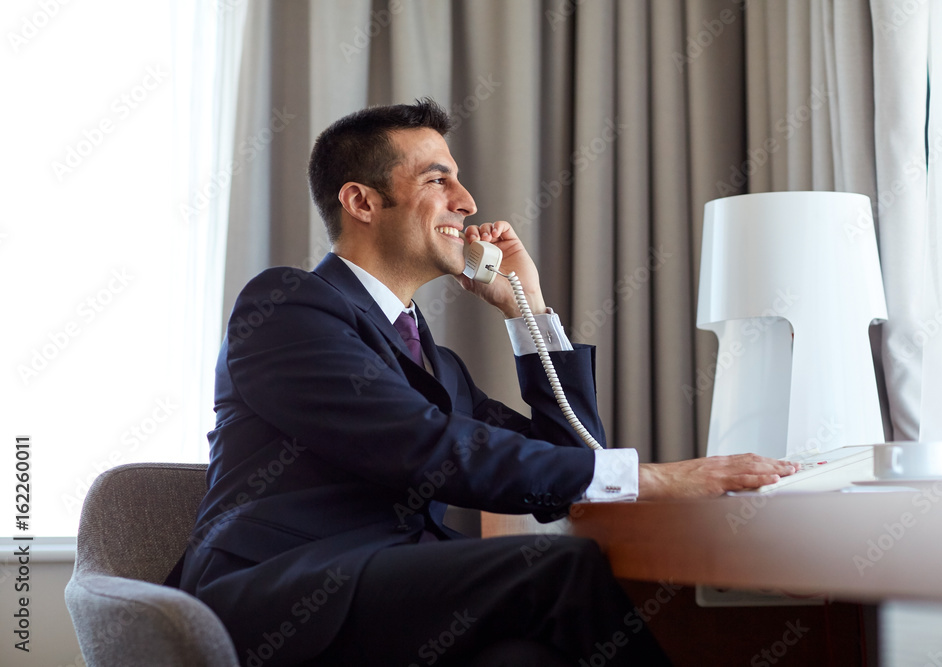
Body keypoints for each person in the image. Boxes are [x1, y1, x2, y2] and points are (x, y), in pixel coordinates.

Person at [178, 99, 797, 666]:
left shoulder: (437, 364)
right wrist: (654, 478)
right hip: (276, 598)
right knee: (559, 568)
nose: (468, 201)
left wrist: (526, 310)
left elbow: (567, 469)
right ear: (362, 203)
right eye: (437, 179)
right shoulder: (287, 307)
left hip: (395, 595)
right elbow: (424, 447)